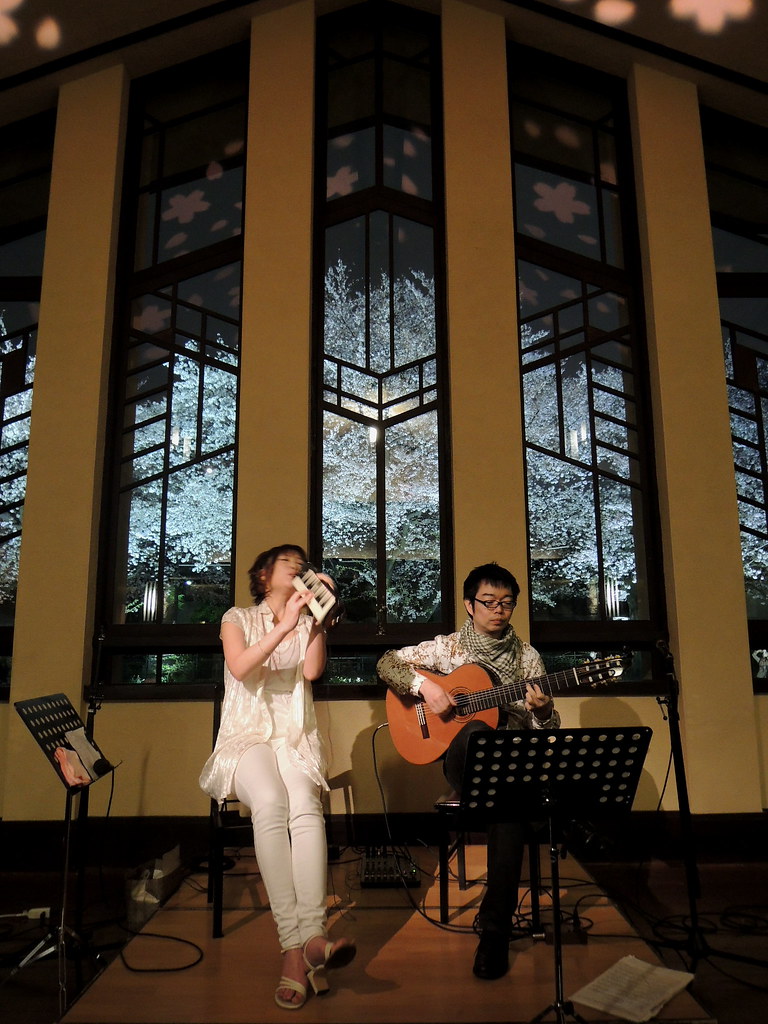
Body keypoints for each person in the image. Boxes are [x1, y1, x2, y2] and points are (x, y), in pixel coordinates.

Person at [376, 562, 559, 981]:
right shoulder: (447, 650)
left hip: (507, 771)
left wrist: (544, 713)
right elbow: (386, 664)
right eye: (489, 602)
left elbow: (544, 732)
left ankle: (494, 933)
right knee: (476, 728)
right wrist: (428, 688)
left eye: (507, 603)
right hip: (461, 763)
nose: (499, 610)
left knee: (507, 811)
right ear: (468, 604)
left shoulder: (527, 658)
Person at [199, 544, 355, 1010]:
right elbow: (241, 667)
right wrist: (285, 624)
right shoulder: (237, 617)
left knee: (306, 808)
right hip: (245, 737)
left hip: (293, 736)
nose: (302, 571)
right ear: (265, 576)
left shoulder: (306, 621)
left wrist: (317, 623)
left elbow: (310, 671)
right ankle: (298, 940)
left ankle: (308, 942)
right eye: (292, 565)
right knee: (270, 804)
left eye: (306, 567)